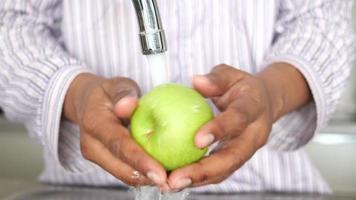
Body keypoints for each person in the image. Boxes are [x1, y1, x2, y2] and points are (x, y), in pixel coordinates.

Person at [0, 0, 354, 193]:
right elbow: (11, 21)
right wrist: (75, 93)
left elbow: (324, 17)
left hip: (271, 184)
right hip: (90, 188)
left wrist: (271, 95)